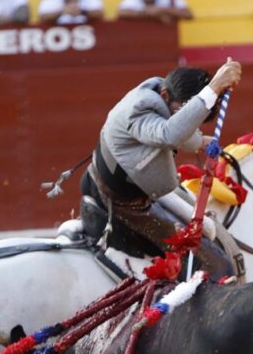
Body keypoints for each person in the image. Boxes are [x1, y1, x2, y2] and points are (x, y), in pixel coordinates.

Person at [79, 60, 243, 281]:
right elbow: (169, 133)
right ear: (164, 95)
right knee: (216, 265)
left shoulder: (160, 94)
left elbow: (176, 123)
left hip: (121, 188)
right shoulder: (140, 109)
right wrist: (213, 88)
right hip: (125, 205)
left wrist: (198, 141)